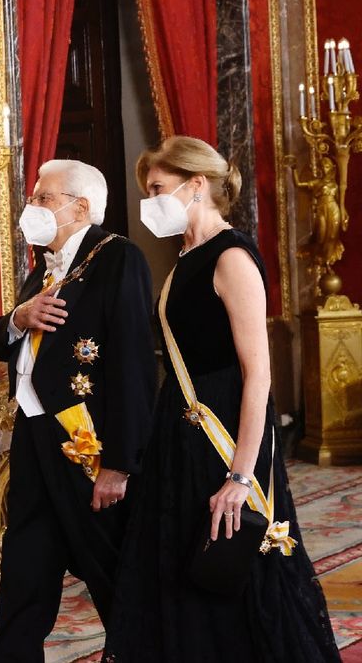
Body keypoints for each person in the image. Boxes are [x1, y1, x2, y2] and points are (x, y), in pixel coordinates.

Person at [103, 136, 340, 663]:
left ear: (196, 185)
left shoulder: (231, 256)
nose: (151, 201)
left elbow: (258, 375)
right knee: (188, 571)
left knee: (238, 566)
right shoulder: (183, 256)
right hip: (179, 436)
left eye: (159, 189)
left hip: (224, 434)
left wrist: (241, 475)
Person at [0, 159, 156, 662]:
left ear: (80, 207)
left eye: (43, 198)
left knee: (111, 566)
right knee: (25, 569)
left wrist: (121, 463)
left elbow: (132, 367)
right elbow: (4, 340)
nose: (31, 207)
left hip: (89, 442)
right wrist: (17, 317)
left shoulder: (118, 258)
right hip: (34, 436)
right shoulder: (44, 266)